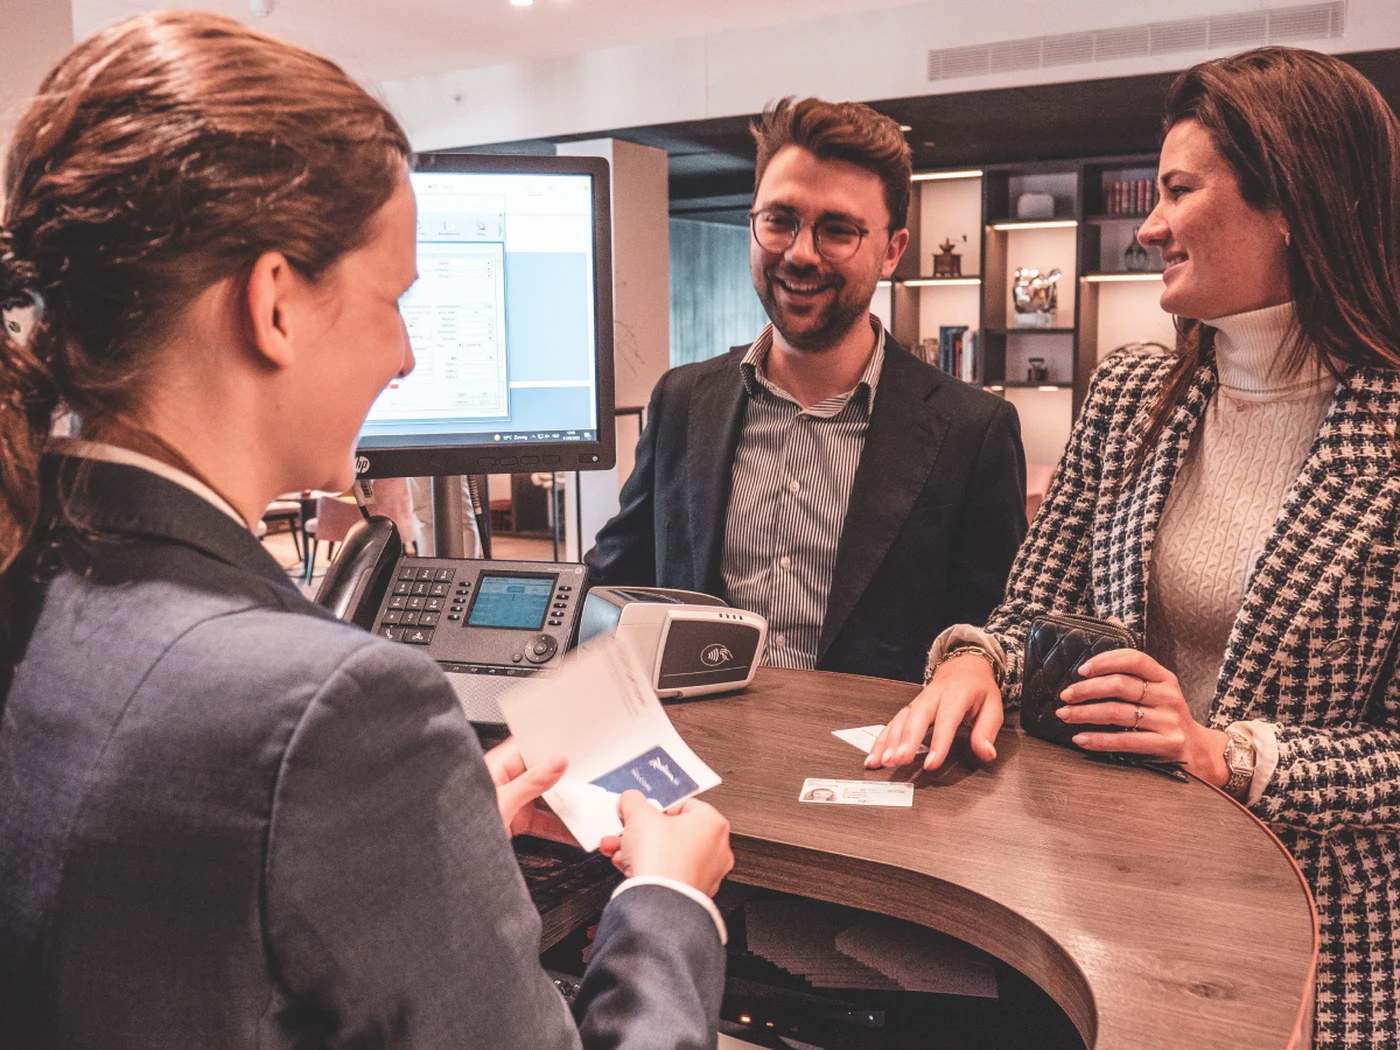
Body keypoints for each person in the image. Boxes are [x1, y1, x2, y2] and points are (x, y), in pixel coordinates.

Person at [0, 12, 732, 1048]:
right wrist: (668, 904)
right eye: (393, 300)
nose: (406, 359)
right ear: (275, 305)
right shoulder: (334, 710)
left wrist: (409, 840)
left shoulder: (32, 577)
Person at [868, 47, 1400, 1049]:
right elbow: (1025, 607)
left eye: (1176, 191)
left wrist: (1224, 754)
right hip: (1111, 898)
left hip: (1320, 946)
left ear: (1288, 199)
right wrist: (973, 662)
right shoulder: (1128, 396)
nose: (1146, 225)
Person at [586, 97, 1027, 684]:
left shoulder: (974, 431)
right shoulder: (682, 401)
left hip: (876, 764)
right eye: (780, 220)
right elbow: (612, 584)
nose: (799, 252)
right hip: (691, 753)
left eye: (837, 230)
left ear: (892, 250)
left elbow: (999, 635)